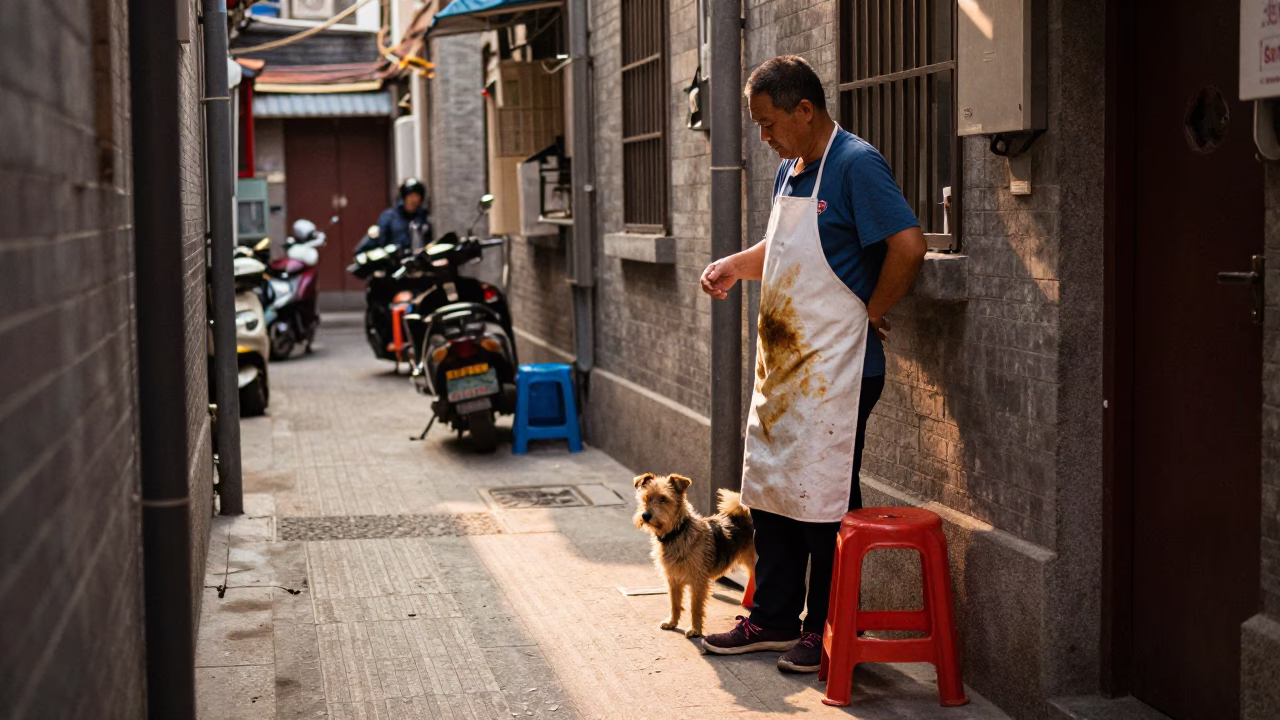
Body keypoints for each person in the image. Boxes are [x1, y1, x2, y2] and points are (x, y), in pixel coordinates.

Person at [698, 55, 927, 673]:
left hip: (842, 372)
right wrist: (731, 266)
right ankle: (772, 619)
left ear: (805, 109)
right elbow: (785, 248)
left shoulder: (855, 163)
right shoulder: (791, 170)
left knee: (823, 503)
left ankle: (822, 630)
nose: (764, 136)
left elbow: (909, 246)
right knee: (771, 493)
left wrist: (868, 311)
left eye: (769, 123)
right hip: (787, 371)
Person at [358, 177, 430, 254]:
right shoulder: (389, 217)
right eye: (410, 196)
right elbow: (380, 242)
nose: (413, 200)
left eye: (416, 196)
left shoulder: (422, 217)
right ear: (403, 198)